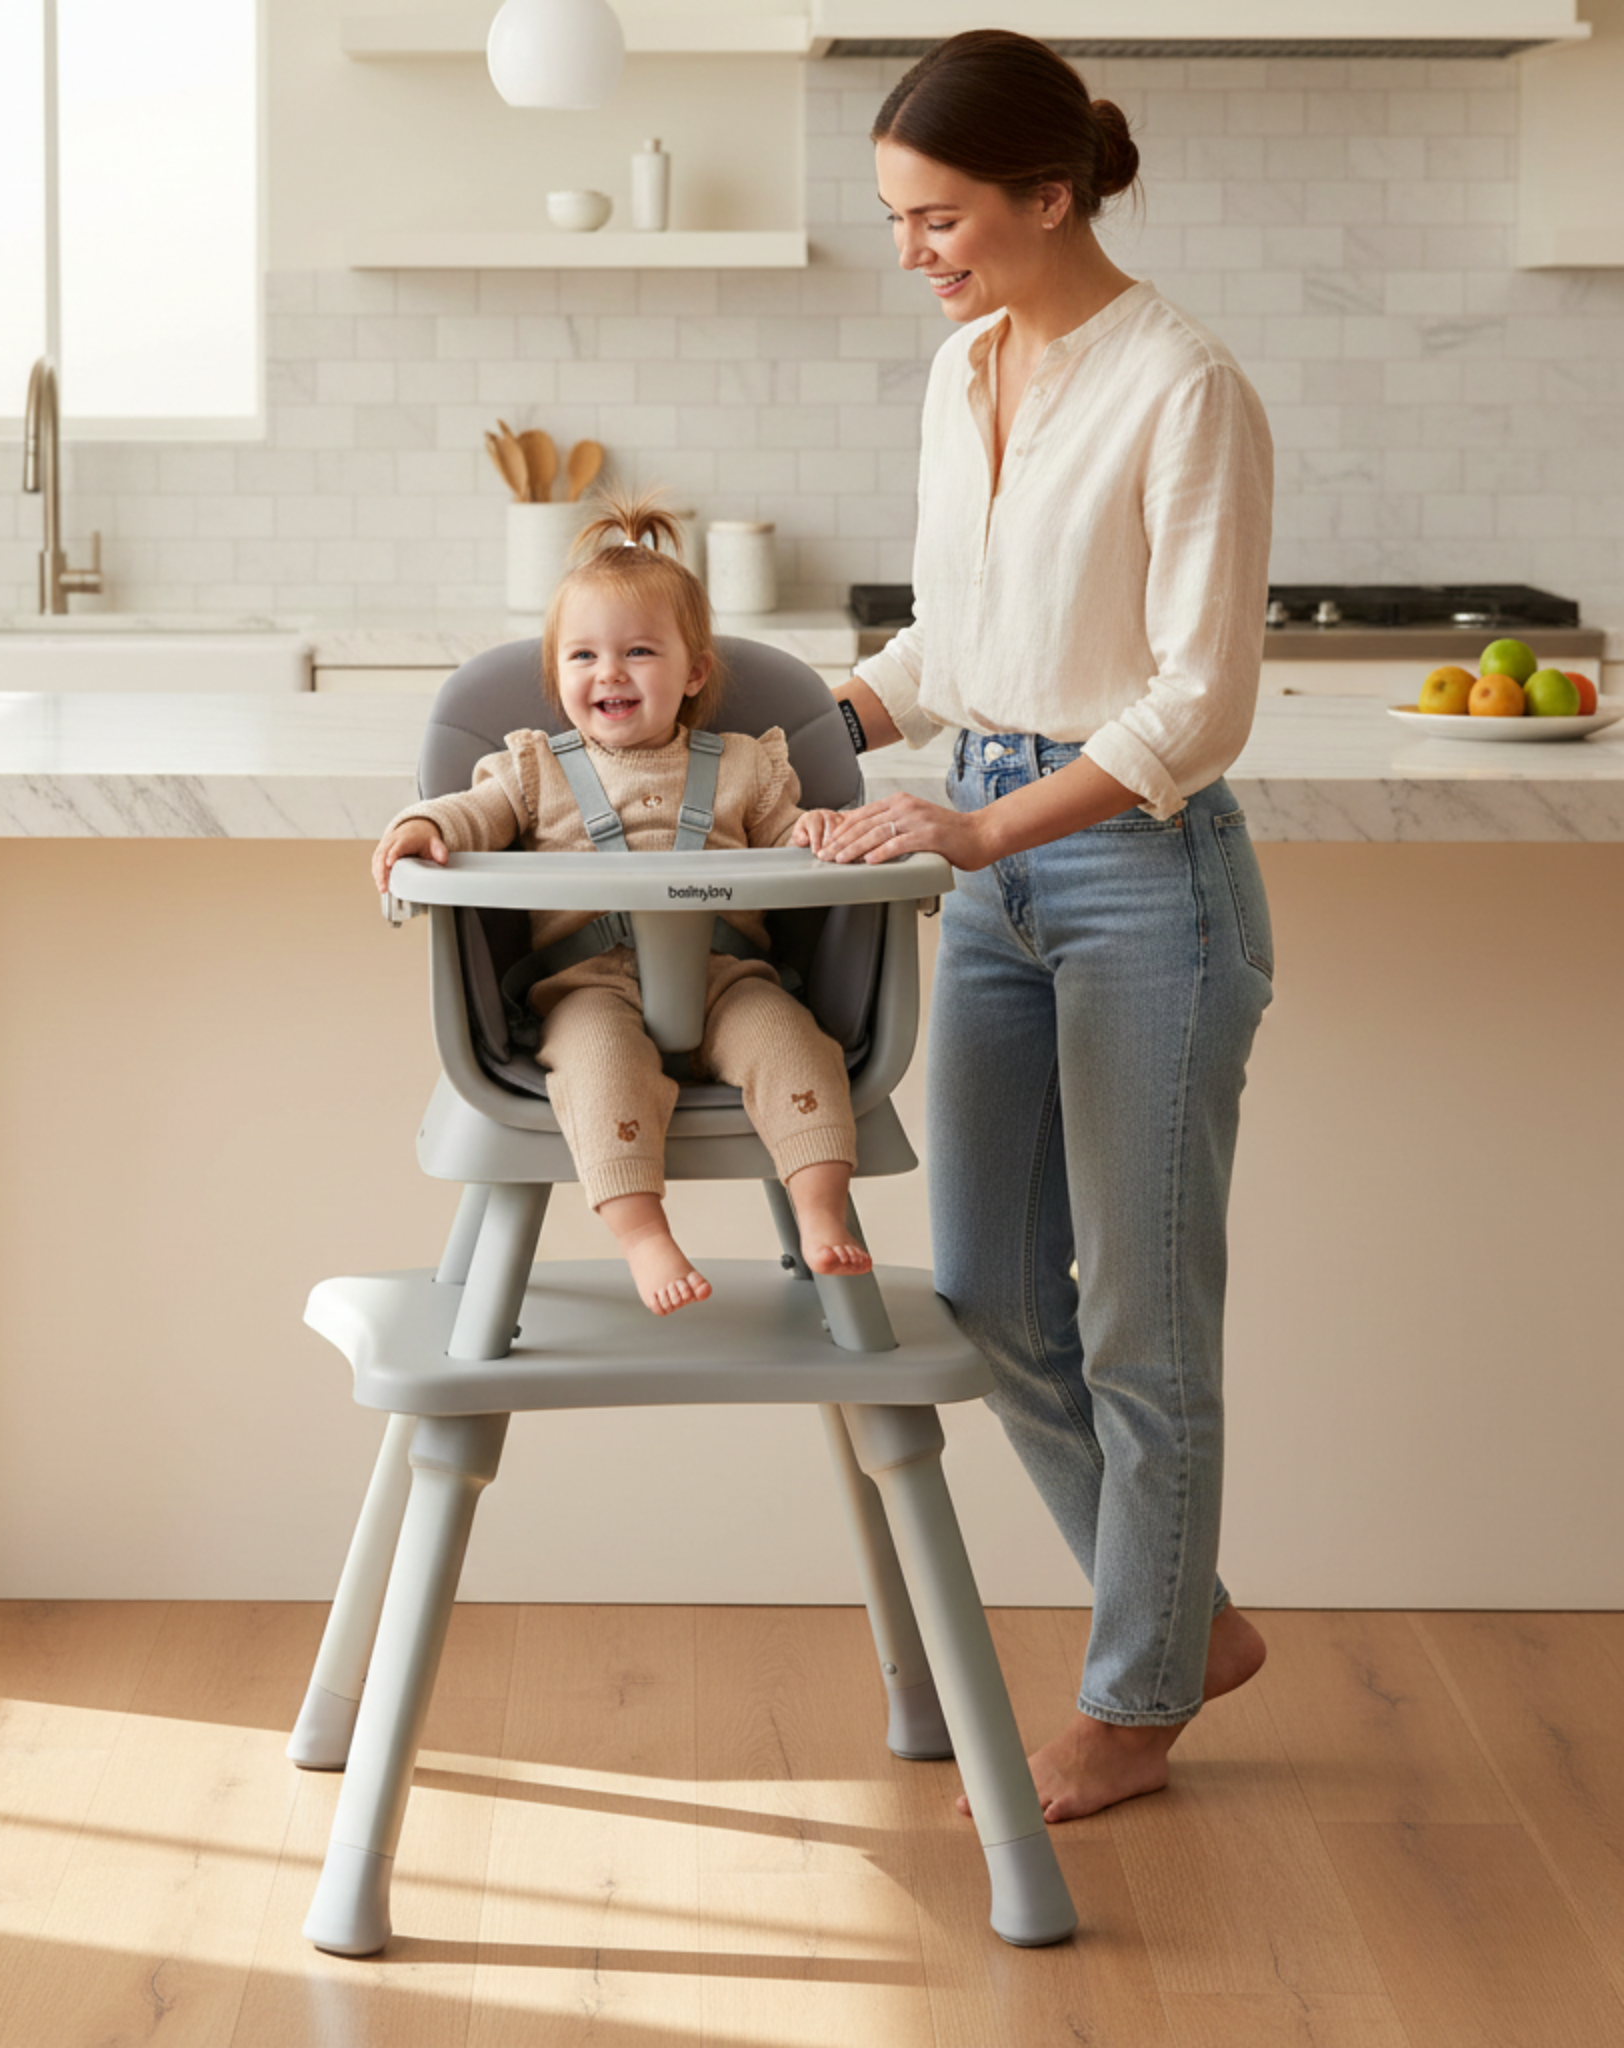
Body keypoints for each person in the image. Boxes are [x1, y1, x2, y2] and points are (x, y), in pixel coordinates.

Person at [818, 29, 1277, 1822]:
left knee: (1142, 1327)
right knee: (997, 1296)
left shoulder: (1183, 385)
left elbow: (1194, 703)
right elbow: (953, 644)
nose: (915, 253)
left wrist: (985, 823)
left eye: (937, 219)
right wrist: (804, 725)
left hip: (1135, 874)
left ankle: (1138, 1691)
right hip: (988, 863)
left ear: (1046, 194)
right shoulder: (961, 375)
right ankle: (1187, 1621)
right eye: (896, 221)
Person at [371, 493, 870, 1316]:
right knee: (600, 1073)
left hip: (729, 979)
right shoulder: (532, 769)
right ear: (556, 674)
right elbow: (473, 813)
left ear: (695, 672)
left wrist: (815, 828)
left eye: (639, 652)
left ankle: (819, 1214)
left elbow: (794, 841)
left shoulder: (748, 765)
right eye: (583, 657)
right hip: (588, 988)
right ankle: (643, 1234)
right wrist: (424, 822)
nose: (609, 673)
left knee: (796, 1047)